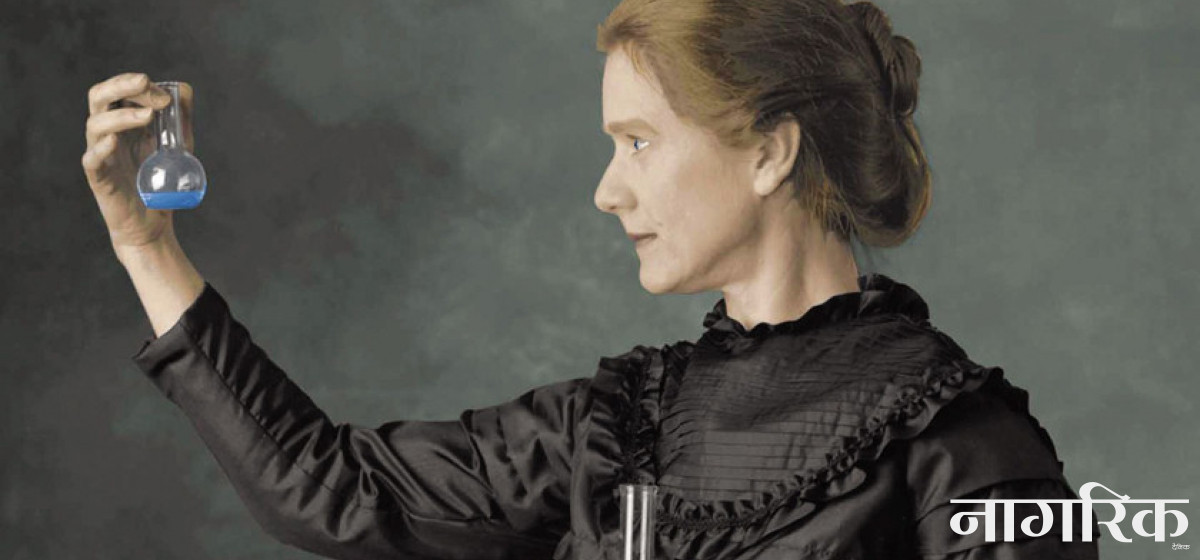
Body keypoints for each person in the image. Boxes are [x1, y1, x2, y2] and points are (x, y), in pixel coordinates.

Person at [80, 1, 1101, 559]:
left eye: (639, 141)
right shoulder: (615, 428)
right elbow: (332, 493)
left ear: (769, 151)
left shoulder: (968, 450)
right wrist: (146, 246)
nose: (607, 191)